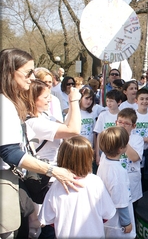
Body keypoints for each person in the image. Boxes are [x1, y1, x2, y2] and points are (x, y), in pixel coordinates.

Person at [0, 48, 80, 238]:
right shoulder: (4, 103)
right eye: (28, 73)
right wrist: (53, 170)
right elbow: (9, 152)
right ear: (10, 72)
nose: (31, 77)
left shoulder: (10, 103)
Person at [38, 136, 116, 238]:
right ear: (88, 158)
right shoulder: (96, 182)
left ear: (61, 157)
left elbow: (49, 220)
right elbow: (107, 215)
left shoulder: (56, 186)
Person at [97, 127, 135, 238]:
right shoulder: (118, 172)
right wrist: (126, 223)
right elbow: (121, 202)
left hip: (105, 217)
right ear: (121, 149)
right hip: (117, 224)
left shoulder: (104, 158)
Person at [116, 109, 144, 208]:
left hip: (131, 180)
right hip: (116, 181)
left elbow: (134, 157)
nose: (122, 125)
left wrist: (123, 139)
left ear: (133, 126)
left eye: (126, 123)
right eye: (120, 122)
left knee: (132, 210)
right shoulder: (111, 137)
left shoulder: (137, 139)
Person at [94, 89, 124, 165]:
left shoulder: (123, 115)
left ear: (119, 102)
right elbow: (99, 135)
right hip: (104, 151)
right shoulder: (102, 115)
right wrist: (97, 155)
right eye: (107, 101)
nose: (108, 103)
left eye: (111, 101)